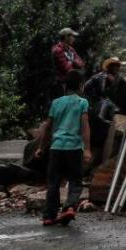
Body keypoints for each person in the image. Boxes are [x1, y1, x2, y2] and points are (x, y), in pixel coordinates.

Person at [35, 69, 91, 226]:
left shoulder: (56, 103)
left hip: (56, 148)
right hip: (74, 148)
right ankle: (69, 207)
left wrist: (40, 147)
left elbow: (47, 127)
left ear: (65, 86)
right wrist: (87, 149)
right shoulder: (82, 103)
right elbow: (85, 126)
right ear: (81, 86)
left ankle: (49, 216)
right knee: (75, 180)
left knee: (53, 182)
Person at [84, 57, 124, 124]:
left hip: (111, 102)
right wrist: (94, 98)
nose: (116, 68)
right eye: (114, 65)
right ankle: (101, 117)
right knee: (107, 101)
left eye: (117, 66)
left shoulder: (117, 78)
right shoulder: (100, 76)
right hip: (98, 101)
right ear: (110, 66)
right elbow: (86, 86)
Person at [52, 27, 85, 94]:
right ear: (66, 37)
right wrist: (74, 63)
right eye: (72, 36)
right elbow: (66, 68)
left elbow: (81, 63)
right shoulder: (57, 50)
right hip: (63, 84)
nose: (73, 38)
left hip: (74, 84)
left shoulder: (71, 49)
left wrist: (73, 62)